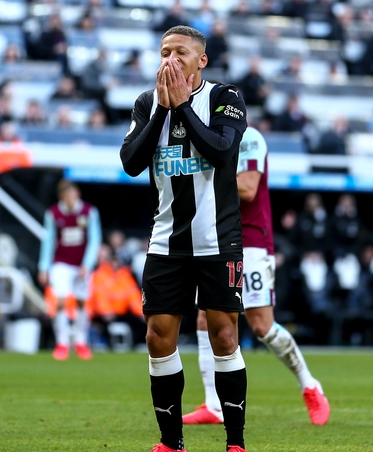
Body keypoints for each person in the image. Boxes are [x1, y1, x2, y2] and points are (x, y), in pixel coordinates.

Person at [119, 25, 249, 452]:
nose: (169, 60)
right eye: (164, 52)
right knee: (158, 336)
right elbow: (131, 163)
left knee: (224, 336)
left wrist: (184, 109)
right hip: (166, 242)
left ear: (201, 60)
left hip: (218, 240)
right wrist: (162, 109)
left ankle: (234, 442)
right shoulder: (145, 103)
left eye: (180, 53)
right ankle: (170, 442)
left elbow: (221, 153)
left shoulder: (226, 99)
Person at [182, 127, 331, 427]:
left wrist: (199, 184)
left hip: (250, 243)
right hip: (215, 242)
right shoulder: (205, 139)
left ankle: (310, 385)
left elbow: (248, 189)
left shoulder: (249, 138)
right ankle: (214, 405)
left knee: (262, 325)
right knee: (203, 319)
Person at [38, 179, 102, 360]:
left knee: (82, 302)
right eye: (66, 195)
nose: (70, 198)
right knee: (60, 301)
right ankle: (62, 342)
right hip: (61, 263)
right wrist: (44, 267)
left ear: (77, 193)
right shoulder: (53, 213)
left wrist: (87, 265)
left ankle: (81, 341)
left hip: (81, 265)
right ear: (61, 196)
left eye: (72, 194)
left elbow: (94, 239)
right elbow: (49, 241)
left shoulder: (89, 212)